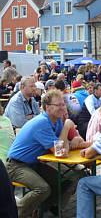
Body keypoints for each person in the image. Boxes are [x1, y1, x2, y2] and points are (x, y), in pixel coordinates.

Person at [5, 90, 79, 218]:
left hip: (33, 164)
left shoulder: (57, 121)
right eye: (58, 105)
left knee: (66, 181)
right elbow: (60, 151)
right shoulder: (42, 122)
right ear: (48, 108)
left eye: (63, 104)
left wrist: (70, 138)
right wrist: (67, 128)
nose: (62, 107)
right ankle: (14, 214)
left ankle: (39, 209)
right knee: (43, 189)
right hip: (16, 166)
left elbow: (63, 147)